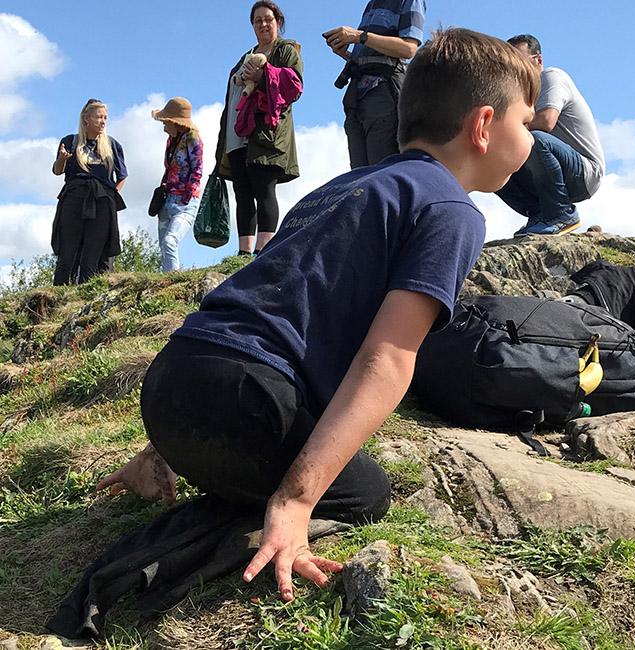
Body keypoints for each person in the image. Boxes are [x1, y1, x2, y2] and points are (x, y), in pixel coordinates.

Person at [93, 28, 539, 604]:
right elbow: (389, 358)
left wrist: (161, 445)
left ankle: (166, 465)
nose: (531, 135)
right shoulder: (452, 209)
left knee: (278, 426)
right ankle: (240, 535)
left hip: (169, 382)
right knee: (364, 491)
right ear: (483, 126)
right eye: (524, 122)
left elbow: (257, 305)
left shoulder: (344, 188)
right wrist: (297, 502)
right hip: (245, 403)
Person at [215, 0, 303, 257]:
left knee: (264, 188)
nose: (263, 24)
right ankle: (243, 253)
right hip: (236, 134)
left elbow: (294, 86)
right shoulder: (244, 56)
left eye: (268, 19)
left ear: (278, 22)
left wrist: (263, 75)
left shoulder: (286, 50)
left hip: (266, 132)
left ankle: (263, 250)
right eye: (258, 20)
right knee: (242, 191)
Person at [495, 34, 605, 237]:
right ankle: (539, 213)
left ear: (538, 60)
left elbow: (546, 122)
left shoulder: (551, 77)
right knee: (489, 156)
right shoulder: (518, 95)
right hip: (548, 170)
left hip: (584, 172)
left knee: (532, 138)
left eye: (521, 62)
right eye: (510, 65)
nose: (516, 70)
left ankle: (560, 214)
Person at [324, 0, 426, 169]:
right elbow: (373, 56)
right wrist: (347, 54)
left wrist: (359, 36)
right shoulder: (372, 4)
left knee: (380, 171)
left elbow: (408, 49)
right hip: (356, 98)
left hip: (384, 94)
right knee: (359, 175)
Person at [51, 99, 127, 285]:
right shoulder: (70, 141)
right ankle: (60, 292)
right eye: (98, 117)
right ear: (86, 119)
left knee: (94, 252)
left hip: (102, 199)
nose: (103, 121)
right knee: (68, 251)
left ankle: (87, 292)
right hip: (74, 196)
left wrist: (111, 196)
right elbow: (57, 170)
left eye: (105, 118)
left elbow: (122, 176)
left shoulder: (112, 145)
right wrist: (62, 159)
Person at [151, 97, 204, 272]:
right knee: (163, 247)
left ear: (176, 122)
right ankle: (167, 278)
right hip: (167, 199)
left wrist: (186, 197)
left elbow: (197, 169)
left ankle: (171, 281)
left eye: (166, 121)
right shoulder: (171, 140)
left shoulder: (192, 138)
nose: (163, 126)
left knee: (169, 241)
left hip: (185, 201)